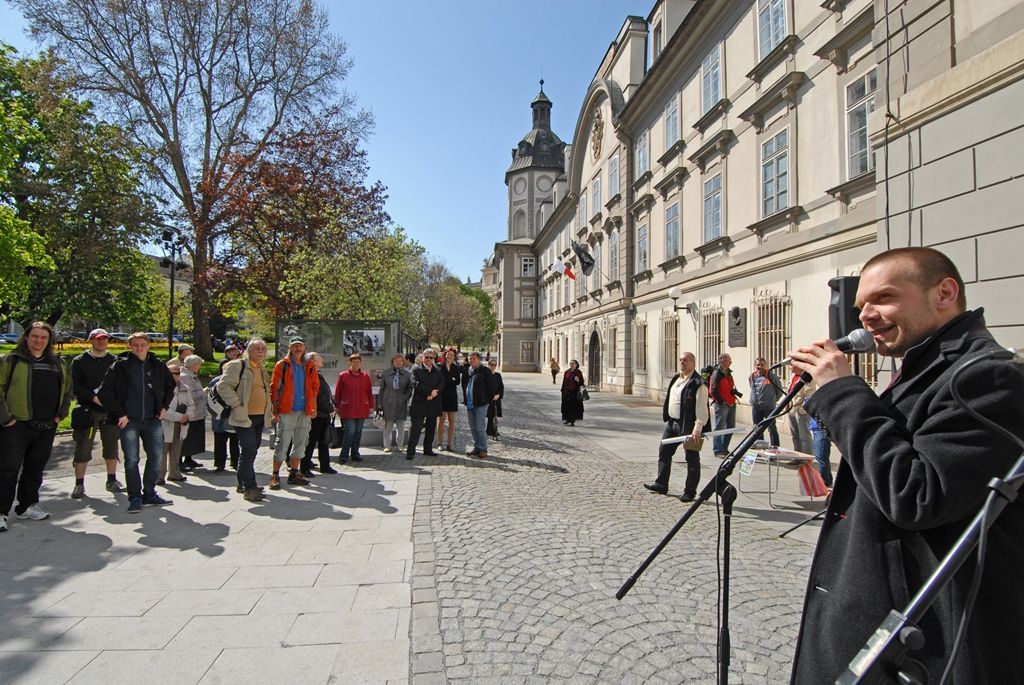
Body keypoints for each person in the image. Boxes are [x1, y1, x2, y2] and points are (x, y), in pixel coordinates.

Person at [787, 247, 1024, 683]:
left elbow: (917, 495)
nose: (866, 316)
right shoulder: (922, 370)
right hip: (884, 616)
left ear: (944, 292)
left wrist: (841, 394)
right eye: (860, 306)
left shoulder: (987, 376)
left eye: (884, 298)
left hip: (922, 642)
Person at [0, 322, 73, 531]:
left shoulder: (58, 363)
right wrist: (5, 417)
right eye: (35, 336)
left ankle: (26, 506)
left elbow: (68, 389)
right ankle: (1, 511)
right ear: (27, 337)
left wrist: (61, 413)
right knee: (8, 469)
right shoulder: (12, 361)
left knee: (35, 468)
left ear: (49, 340)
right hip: (16, 424)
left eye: (43, 337)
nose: (38, 340)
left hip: (47, 425)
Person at [98, 332, 175, 513]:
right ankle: (134, 497)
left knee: (156, 458)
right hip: (129, 421)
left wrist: (164, 407)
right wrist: (119, 414)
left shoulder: (157, 365)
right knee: (132, 460)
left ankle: (149, 492)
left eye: (142, 344)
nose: (139, 348)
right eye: (135, 345)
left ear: (149, 345)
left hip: (152, 420)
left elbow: (170, 387)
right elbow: (104, 393)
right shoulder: (120, 366)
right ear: (130, 346)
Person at [644, 352, 709, 502]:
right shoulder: (676, 378)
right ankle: (661, 484)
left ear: (693, 363)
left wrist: (697, 428)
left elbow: (702, 409)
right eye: (680, 360)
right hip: (673, 424)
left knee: (692, 458)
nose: (681, 362)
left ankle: (690, 491)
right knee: (664, 451)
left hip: (690, 426)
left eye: (685, 360)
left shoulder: (698, 383)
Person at [68, 328, 123, 498]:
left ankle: (112, 479)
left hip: (109, 411)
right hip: (88, 410)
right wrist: (93, 397)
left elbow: (120, 384)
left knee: (112, 445)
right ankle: (79, 484)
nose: (101, 342)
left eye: (104, 339)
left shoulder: (115, 360)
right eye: (97, 339)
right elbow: (76, 386)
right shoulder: (79, 361)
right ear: (91, 340)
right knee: (83, 447)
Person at [217, 338, 272, 501]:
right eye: (257, 348)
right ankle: (250, 487)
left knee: (251, 451)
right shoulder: (237, 365)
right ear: (248, 350)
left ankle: (243, 483)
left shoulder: (261, 368)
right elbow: (223, 386)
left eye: (263, 349)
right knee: (248, 451)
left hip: (259, 417)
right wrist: (236, 404)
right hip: (243, 417)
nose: (260, 351)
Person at [269, 336, 318, 489]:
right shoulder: (282, 365)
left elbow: (315, 387)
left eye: (300, 346)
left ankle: (294, 473)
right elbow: (274, 389)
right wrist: (275, 411)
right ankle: (275, 475)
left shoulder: (310, 365)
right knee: (282, 443)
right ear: (290, 347)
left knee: (301, 443)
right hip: (286, 410)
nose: (298, 349)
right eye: (295, 346)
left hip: (304, 411)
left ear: (304, 348)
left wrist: (312, 406)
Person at [301, 352, 337, 475]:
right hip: (316, 414)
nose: (322, 359)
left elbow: (324, 393)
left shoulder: (318, 374)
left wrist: (332, 403)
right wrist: (330, 408)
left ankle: (325, 466)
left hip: (323, 414)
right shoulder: (310, 374)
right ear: (312, 361)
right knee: (310, 442)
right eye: (319, 358)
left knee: (324, 441)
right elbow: (317, 396)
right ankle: (304, 468)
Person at [158, 359, 193, 484]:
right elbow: (162, 409)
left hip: (180, 424)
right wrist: (179, 417)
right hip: (164, 424)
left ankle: (174, 473)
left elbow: (191, 404)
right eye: (172, 373)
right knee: (162, 451)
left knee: (176, 450)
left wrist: (187, 415)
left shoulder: (185, 388)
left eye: (177, 373)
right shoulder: (160, 388)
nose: (175, 376)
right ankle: (159, 476)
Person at [334, 352, 373, 464]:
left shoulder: (365, 376)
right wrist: (337, 406)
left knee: (358, 432)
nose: (356, 363)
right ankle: (344, 455)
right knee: (350, 431)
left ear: (361, 363)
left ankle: (355, 453)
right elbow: (338, 392)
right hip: (348, 408)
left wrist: (371, 406)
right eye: (353, 361)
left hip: (362, 407)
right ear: (349, 363)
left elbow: (369, 392)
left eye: (358, 361)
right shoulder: (343, 375)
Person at [406, 349, 443, 460]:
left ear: (434, 359)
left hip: (433, 403)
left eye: (431, 357)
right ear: (422, 358)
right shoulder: (416, 370)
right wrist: (429, 392)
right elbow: (415, 384)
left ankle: (428, 449)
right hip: (419, 403)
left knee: (431, 428)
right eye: (426, 357)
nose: (428, 359)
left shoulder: (437, 370)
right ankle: (410, 452)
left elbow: (441, 384)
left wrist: (434, 394)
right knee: (416, 429)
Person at [464, 352, 501, 458]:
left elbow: (493, 385)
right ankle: (477, 447)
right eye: (470, 358)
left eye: (474, 358)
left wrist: (487, 399)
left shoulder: (484, 370)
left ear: (479, 359)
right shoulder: (470, 370)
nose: (471, 360)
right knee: (473, 427)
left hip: (481, 404)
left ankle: (484, 448)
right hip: (470, 403)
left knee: (480, 427)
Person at [379, 353, 413, 453]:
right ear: (393, 362)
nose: (398, 362)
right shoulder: (386, 373)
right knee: (388, 426)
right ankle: (387, 445)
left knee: (400, 425)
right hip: (388, 402)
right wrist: (380, 403)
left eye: (400, 361)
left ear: (403, 362)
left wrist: (405, 398)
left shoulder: (407, 374)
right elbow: (382, 389)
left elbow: (410, 388)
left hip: (401, 403)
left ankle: (400, 445)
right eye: (396, 361)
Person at [709, 353, 741, 457]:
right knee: (719, 427)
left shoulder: (728, 372)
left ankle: (724, 448)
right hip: (722, 404)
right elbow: (713, 390)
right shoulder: (716, 373)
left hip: (731, 402)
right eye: (729, 360)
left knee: (731, 426)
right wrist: (721, 401)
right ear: (722, 361)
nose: (731, 362)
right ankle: (717, 450)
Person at [179, 354, 206, 471]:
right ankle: (179, 462)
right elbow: (189, 394)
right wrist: (203, 392)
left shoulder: (192, 375)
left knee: (192, 437)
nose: (199, 367)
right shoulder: (185, 376)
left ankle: (188, 459)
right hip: (190, 412)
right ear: (194, 365)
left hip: (197, 412)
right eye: (199, 365)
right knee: (185, 438)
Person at [749, 357, 783, 446]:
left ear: (766, 366)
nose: (759, 367)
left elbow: (779, 391)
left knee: (772, 428)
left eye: (762, 365)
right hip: (756, 407)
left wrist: (773, 400)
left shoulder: (771, 376)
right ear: (755, 366)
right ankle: (760, 447)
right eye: (758, 365)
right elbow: (752, 389)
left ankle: (775, 448)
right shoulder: (752, 376)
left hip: (769, 407)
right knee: (757, 429)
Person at [436, 348, 462, 452]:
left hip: (452, 396)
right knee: (441, 420)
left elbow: (458, 382)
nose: (450, 356)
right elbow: (440, 381)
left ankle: (450, 444)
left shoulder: (456, 368)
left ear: (454, 356)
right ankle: (439, 443)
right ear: (445, 355)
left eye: (452, 355)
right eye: (448, 354)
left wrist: (448, 380)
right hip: (441, 396)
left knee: (452, 421)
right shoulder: (439, 367)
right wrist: (451, 379)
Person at [786, 368, 814, 454]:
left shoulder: (807, 377)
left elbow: (809, 396)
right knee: (795, 436)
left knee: (804, 436)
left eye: (792, 364)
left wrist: (801, 410)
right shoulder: (793, 376)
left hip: (800, 411)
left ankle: (806, 460)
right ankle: (797, 457)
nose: (790, 367)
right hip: (791, 409)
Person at [808, 415, 832, 488]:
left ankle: (825, 482)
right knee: (819, 456)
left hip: (822, 429)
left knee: (821, 456)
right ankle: (826, 481)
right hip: (816, 428)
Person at [559, 360, 585, 426]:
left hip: (575, 392)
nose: (571, 364)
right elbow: (564, 382)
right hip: (567, 392)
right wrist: (562, 390)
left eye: (573, 363)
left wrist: (578, 380)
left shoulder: (578, 372)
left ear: (576, 364)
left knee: (574, 406)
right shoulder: (567, 372)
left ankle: (572, 420)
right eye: (570, 363)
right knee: (567, 406)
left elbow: (582, 382)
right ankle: (568, 419)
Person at [485, 358, 504, 440]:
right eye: (491, 365)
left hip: (496, 398)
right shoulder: (485, 375)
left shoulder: (498, 375)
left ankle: (494, 432)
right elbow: (484, 387)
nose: (493, 366)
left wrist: (498, 394)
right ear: (488, 365)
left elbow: (501, 387)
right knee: (490, 415)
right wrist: (490, 395)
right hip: (488, 399)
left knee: (494, 416)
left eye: (494, 365)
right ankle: (490, 431)